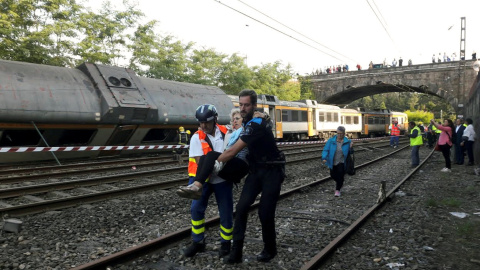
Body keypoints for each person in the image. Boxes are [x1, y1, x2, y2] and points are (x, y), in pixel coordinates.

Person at [217, 89, 286, 264]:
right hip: (256, 171)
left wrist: (213, 163)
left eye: (246, 105)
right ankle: (236, 253)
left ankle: (270, 249)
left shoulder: (256, 123)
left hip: (272, 171)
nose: (243, 108)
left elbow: (233, 151)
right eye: (240, 104)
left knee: (265, 212)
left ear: (254, 105)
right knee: (241, 208)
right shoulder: (249, 120)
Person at [177, 104, 233, 258]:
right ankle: (198, 242)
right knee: (196, 209)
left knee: (226, 211)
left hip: (222, 179)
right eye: (201, 122)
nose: (203, 126)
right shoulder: (196, 137)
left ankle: (226, 243)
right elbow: (200, 161)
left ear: (215, 119)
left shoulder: (227, 132)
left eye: (206, 122)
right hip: (203, 179)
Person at [177, 108, 249, 199]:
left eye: (238, 118)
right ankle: (197, 187)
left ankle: (197, 186)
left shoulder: (247, 130)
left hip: (240, 166)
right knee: (204, 157)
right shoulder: (232, 133)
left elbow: (231, 151)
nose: (235, 121)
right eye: (233, 119)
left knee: (211, 155)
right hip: (231, 164)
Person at [321, 126, 353, 197]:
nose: (339, 135)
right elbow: (326, 149)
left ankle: (337, 190)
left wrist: (351, 147)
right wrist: (324, 158)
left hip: (342, 162)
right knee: (333, 175)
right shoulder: (331, 141)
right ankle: (340, 182)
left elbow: (351, 153)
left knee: (340, 175)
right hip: (332, 162)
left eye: (341, 134)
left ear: (344, 134)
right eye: (338, 133)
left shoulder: (347, 141)